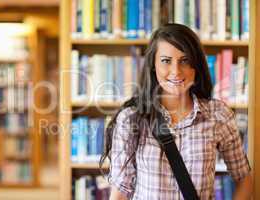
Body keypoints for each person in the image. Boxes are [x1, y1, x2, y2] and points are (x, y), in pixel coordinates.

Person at [99, 23, 253, 200]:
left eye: (185, 60)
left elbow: (244, 178)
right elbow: (120, 193)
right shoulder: (131, 119)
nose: (176, 71)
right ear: (153, 65)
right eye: (166, 61)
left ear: (196, 64)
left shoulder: (218, 115)